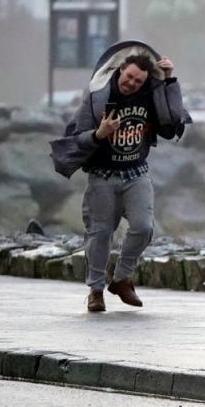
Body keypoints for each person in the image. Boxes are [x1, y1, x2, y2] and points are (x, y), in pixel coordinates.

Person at [50, 41, 191, 313]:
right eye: (128, 77)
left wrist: (170, 79)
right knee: (100, 233)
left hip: (136, 172)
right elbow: (76, 138)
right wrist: (99, 134)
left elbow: (173, 121)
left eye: (138, 81)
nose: (132, 84)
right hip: (102, 176)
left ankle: (122, 278)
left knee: (143, 227)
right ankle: (95, 291)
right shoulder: (97, 96)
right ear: (120, 71)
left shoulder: (151, 94)